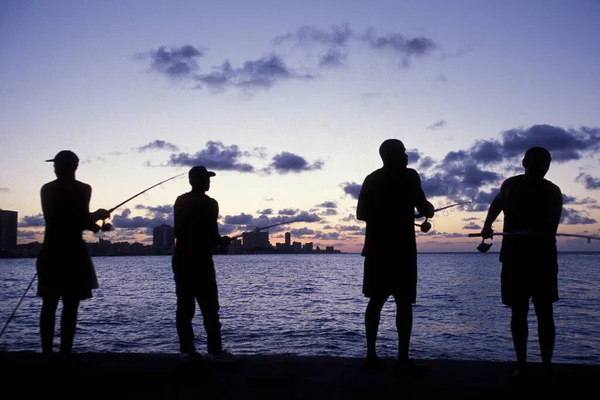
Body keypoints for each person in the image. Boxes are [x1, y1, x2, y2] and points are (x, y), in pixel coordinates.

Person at [479, 146, 562, 380]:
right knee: (519, 312)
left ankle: (546, 365)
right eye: (535, 162)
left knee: (545, 312)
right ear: (524, 162)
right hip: (514, 259)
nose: (539, 168)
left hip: (543, 259)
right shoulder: (509, 185)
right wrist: (487, 225)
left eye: (544, 164)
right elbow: (496, 204)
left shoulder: (553, 191)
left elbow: (551, 228)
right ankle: (521, 364)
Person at [357, 139, 434, 373]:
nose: (407, 155)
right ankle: (402, 360)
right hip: (402, 252)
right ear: (392, 155)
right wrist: (427, 210)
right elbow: (424, 209)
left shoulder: (371, 179)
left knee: (375, 303)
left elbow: (361, 213)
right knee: (404, 304)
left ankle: (371, 356)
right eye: (402, 152)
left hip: (376, 250)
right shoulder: (410, 176)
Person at [37, 150, 110, 360]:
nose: (54, 168)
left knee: (49, 305)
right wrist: (98, 216)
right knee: (70, 307)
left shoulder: (47, 189)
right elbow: (82, 222)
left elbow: (56, 220)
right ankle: (65, 354)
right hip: (74, 254)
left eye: (56, 165)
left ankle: (47, 355)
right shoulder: (84, 189)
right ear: (75, 167)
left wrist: (94, 219)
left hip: (51, 251)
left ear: (61, 166)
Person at [172, 165, 235, 362]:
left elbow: (179, 233)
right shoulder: (210, 204)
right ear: (198, 181)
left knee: (184, 308)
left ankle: (187, 352)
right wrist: (223, 241)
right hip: (201, 261)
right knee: (209, 309)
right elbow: (212, 238)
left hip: (181, 260)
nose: (209, 182)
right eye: (206, 179)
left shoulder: (180, 201)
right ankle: (215, 352)